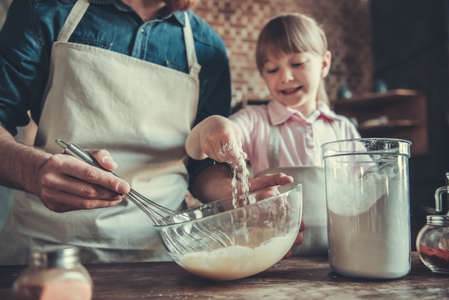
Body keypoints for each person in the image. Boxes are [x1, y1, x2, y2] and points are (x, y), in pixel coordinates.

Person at [0, 0, 296, 265]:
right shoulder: (44, 8)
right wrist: (34, 171)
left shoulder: (208, 48)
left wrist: (237, 199)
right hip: (46, 253)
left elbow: (202, 168)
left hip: (162, 255)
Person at [186, 13, 360, 255]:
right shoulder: (256, 119)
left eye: (297, 63)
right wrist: (213, 127)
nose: (285, 77)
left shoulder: (343, 129)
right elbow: (219, 135)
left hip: (340, 254)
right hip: (276, 255)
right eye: (272, 69)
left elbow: (367, 188)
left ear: (324, 63)